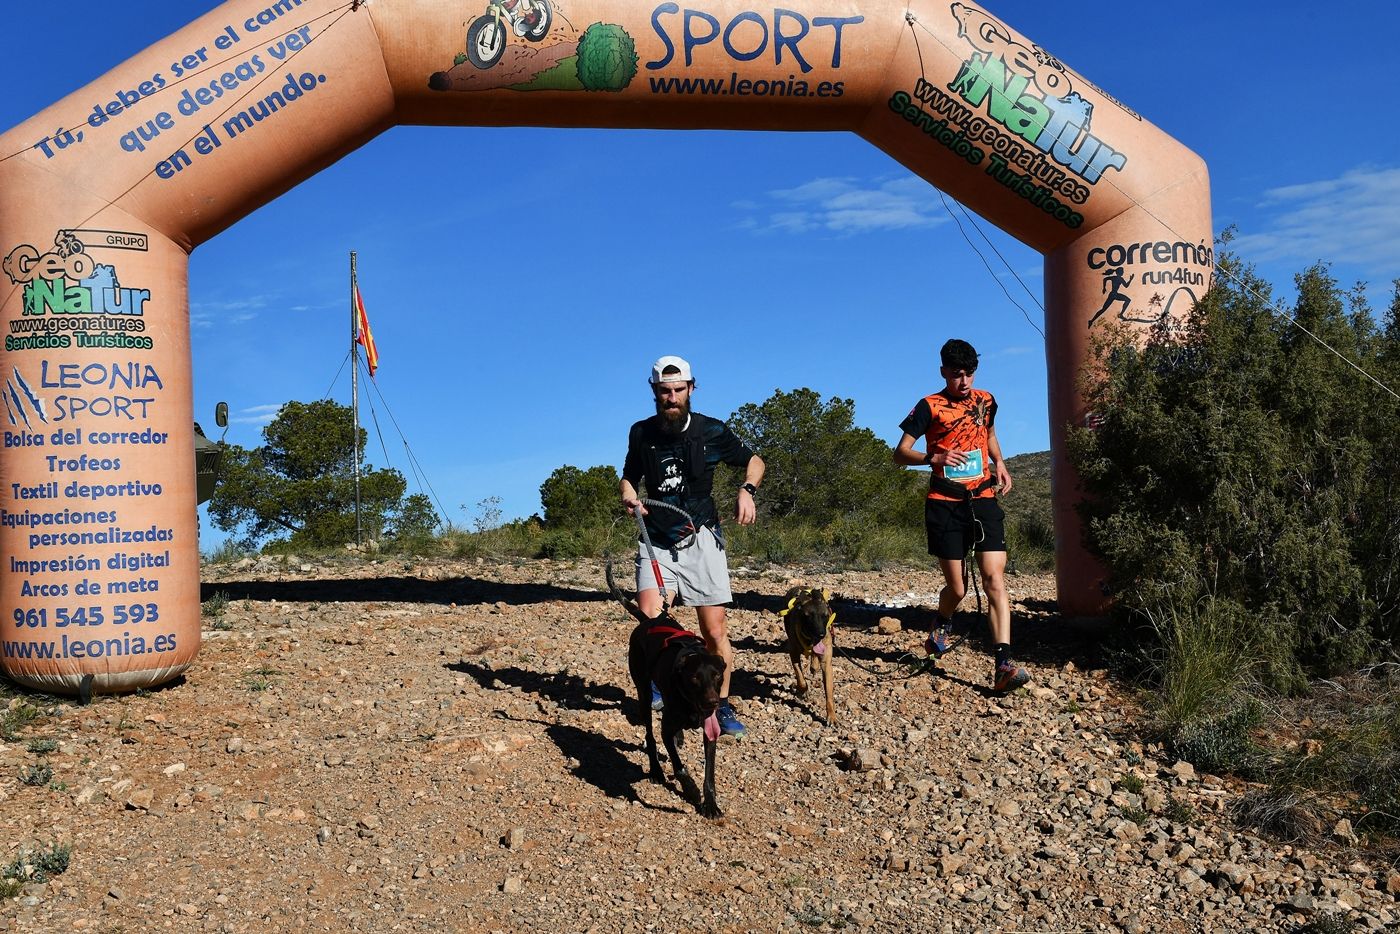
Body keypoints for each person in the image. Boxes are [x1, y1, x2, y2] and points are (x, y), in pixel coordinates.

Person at [621, 355, 766, 738]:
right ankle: (660, 686)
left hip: (700, 536)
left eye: (678, 390)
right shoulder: (641, 433)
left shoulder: (712, 431)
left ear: (691, 389)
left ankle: (721, 702)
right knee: (651, 618)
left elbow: (754, 461)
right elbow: (628, 478)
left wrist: (746, 490)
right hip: (657, 541)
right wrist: (630, 498)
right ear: (654, 392)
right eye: (664, 391)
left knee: (713, 630)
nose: (671, 398)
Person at [892, 339, 1031, 694]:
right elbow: (900, 453)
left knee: (994, 580)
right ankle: (942, 619)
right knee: (958, 587)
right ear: (943, 373)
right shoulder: (929, 405)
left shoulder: (986, 400)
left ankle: (1003, 663)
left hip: (983, 497)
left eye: (969, 374)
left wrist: (1000, 463)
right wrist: (933, 459)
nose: (964, 381)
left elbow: (990, 434)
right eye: (957, 375)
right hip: (945, 503)